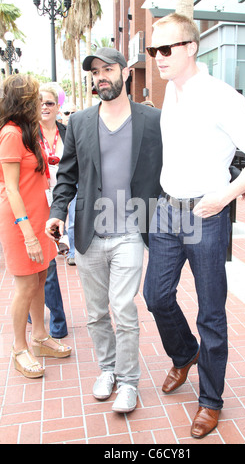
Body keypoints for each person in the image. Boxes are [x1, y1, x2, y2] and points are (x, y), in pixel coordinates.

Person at [144, 13, 245, 439]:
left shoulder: (221, 96)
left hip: (206, 214)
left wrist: (225, 193)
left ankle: (210, 400)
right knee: (155, 296)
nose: (157, 57)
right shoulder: (170, 94)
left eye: (165, 49)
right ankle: (184, 355)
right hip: (166, 210)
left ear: (190, 48)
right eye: (153, 50)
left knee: (211, 311)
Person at [45, 47, 162, 413]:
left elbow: (167, 171)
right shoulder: (79, 122)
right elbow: (67, 175)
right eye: (95, 72)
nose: (101, 77)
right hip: (89, 233)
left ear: (125, 73)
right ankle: (107, 369)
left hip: (130, 230)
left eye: (108, 69)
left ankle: (129, 381)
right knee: (96, 312)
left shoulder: (152, 120)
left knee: (124, 308)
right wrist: (57, 211)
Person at [0, 74, 71, 380]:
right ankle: (19, 348)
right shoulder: (11, 134)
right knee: (26, 285)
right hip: (21, 221)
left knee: (42, 276)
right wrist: (28, 233)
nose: (42, 103)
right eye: (36, 98)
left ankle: (40, 338)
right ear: (24, 101)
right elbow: (12, 189)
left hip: (39, 217)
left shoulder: (27, 132)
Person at [38, 84, 69, 338]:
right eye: (39, 102)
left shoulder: (68, 133)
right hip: (37, 202)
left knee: (46, 260)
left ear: (58, 107)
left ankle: (33, 306)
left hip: (66, 200)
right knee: (46, 262)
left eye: (49, 102)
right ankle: (57, 319)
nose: (44, 107)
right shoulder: (26, 134)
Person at [62, 102, 78, 266]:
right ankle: (60, 243)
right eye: (67, 113)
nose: (70, 115)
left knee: (73, 218)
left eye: (73, 112)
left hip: (75, 181)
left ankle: (72, 251)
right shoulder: (57, 132)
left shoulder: (80, 130)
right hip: (51, 183)